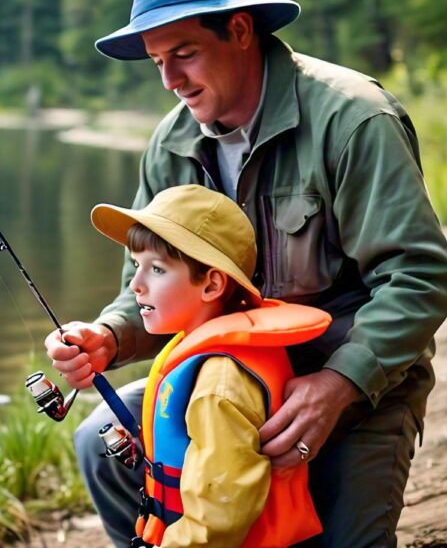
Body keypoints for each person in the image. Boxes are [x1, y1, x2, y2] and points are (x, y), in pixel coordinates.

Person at [45, 0, 447, 547]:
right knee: (100, 438)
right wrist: (109, 336)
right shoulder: (170, 144)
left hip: (349, 391)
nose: (169, 80)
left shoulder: (354, 119)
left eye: (183, 54)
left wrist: (339, 385)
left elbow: (419, 277)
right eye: (158, 61)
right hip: (221, 385)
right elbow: (153, 286)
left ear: (240, 30)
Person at [88, 183, 329, 547]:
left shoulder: (220, 385)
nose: (135, 284)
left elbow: (218, 518)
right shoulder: (198, 348)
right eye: (137, 266)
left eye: (156, 269)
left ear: (212, 284)